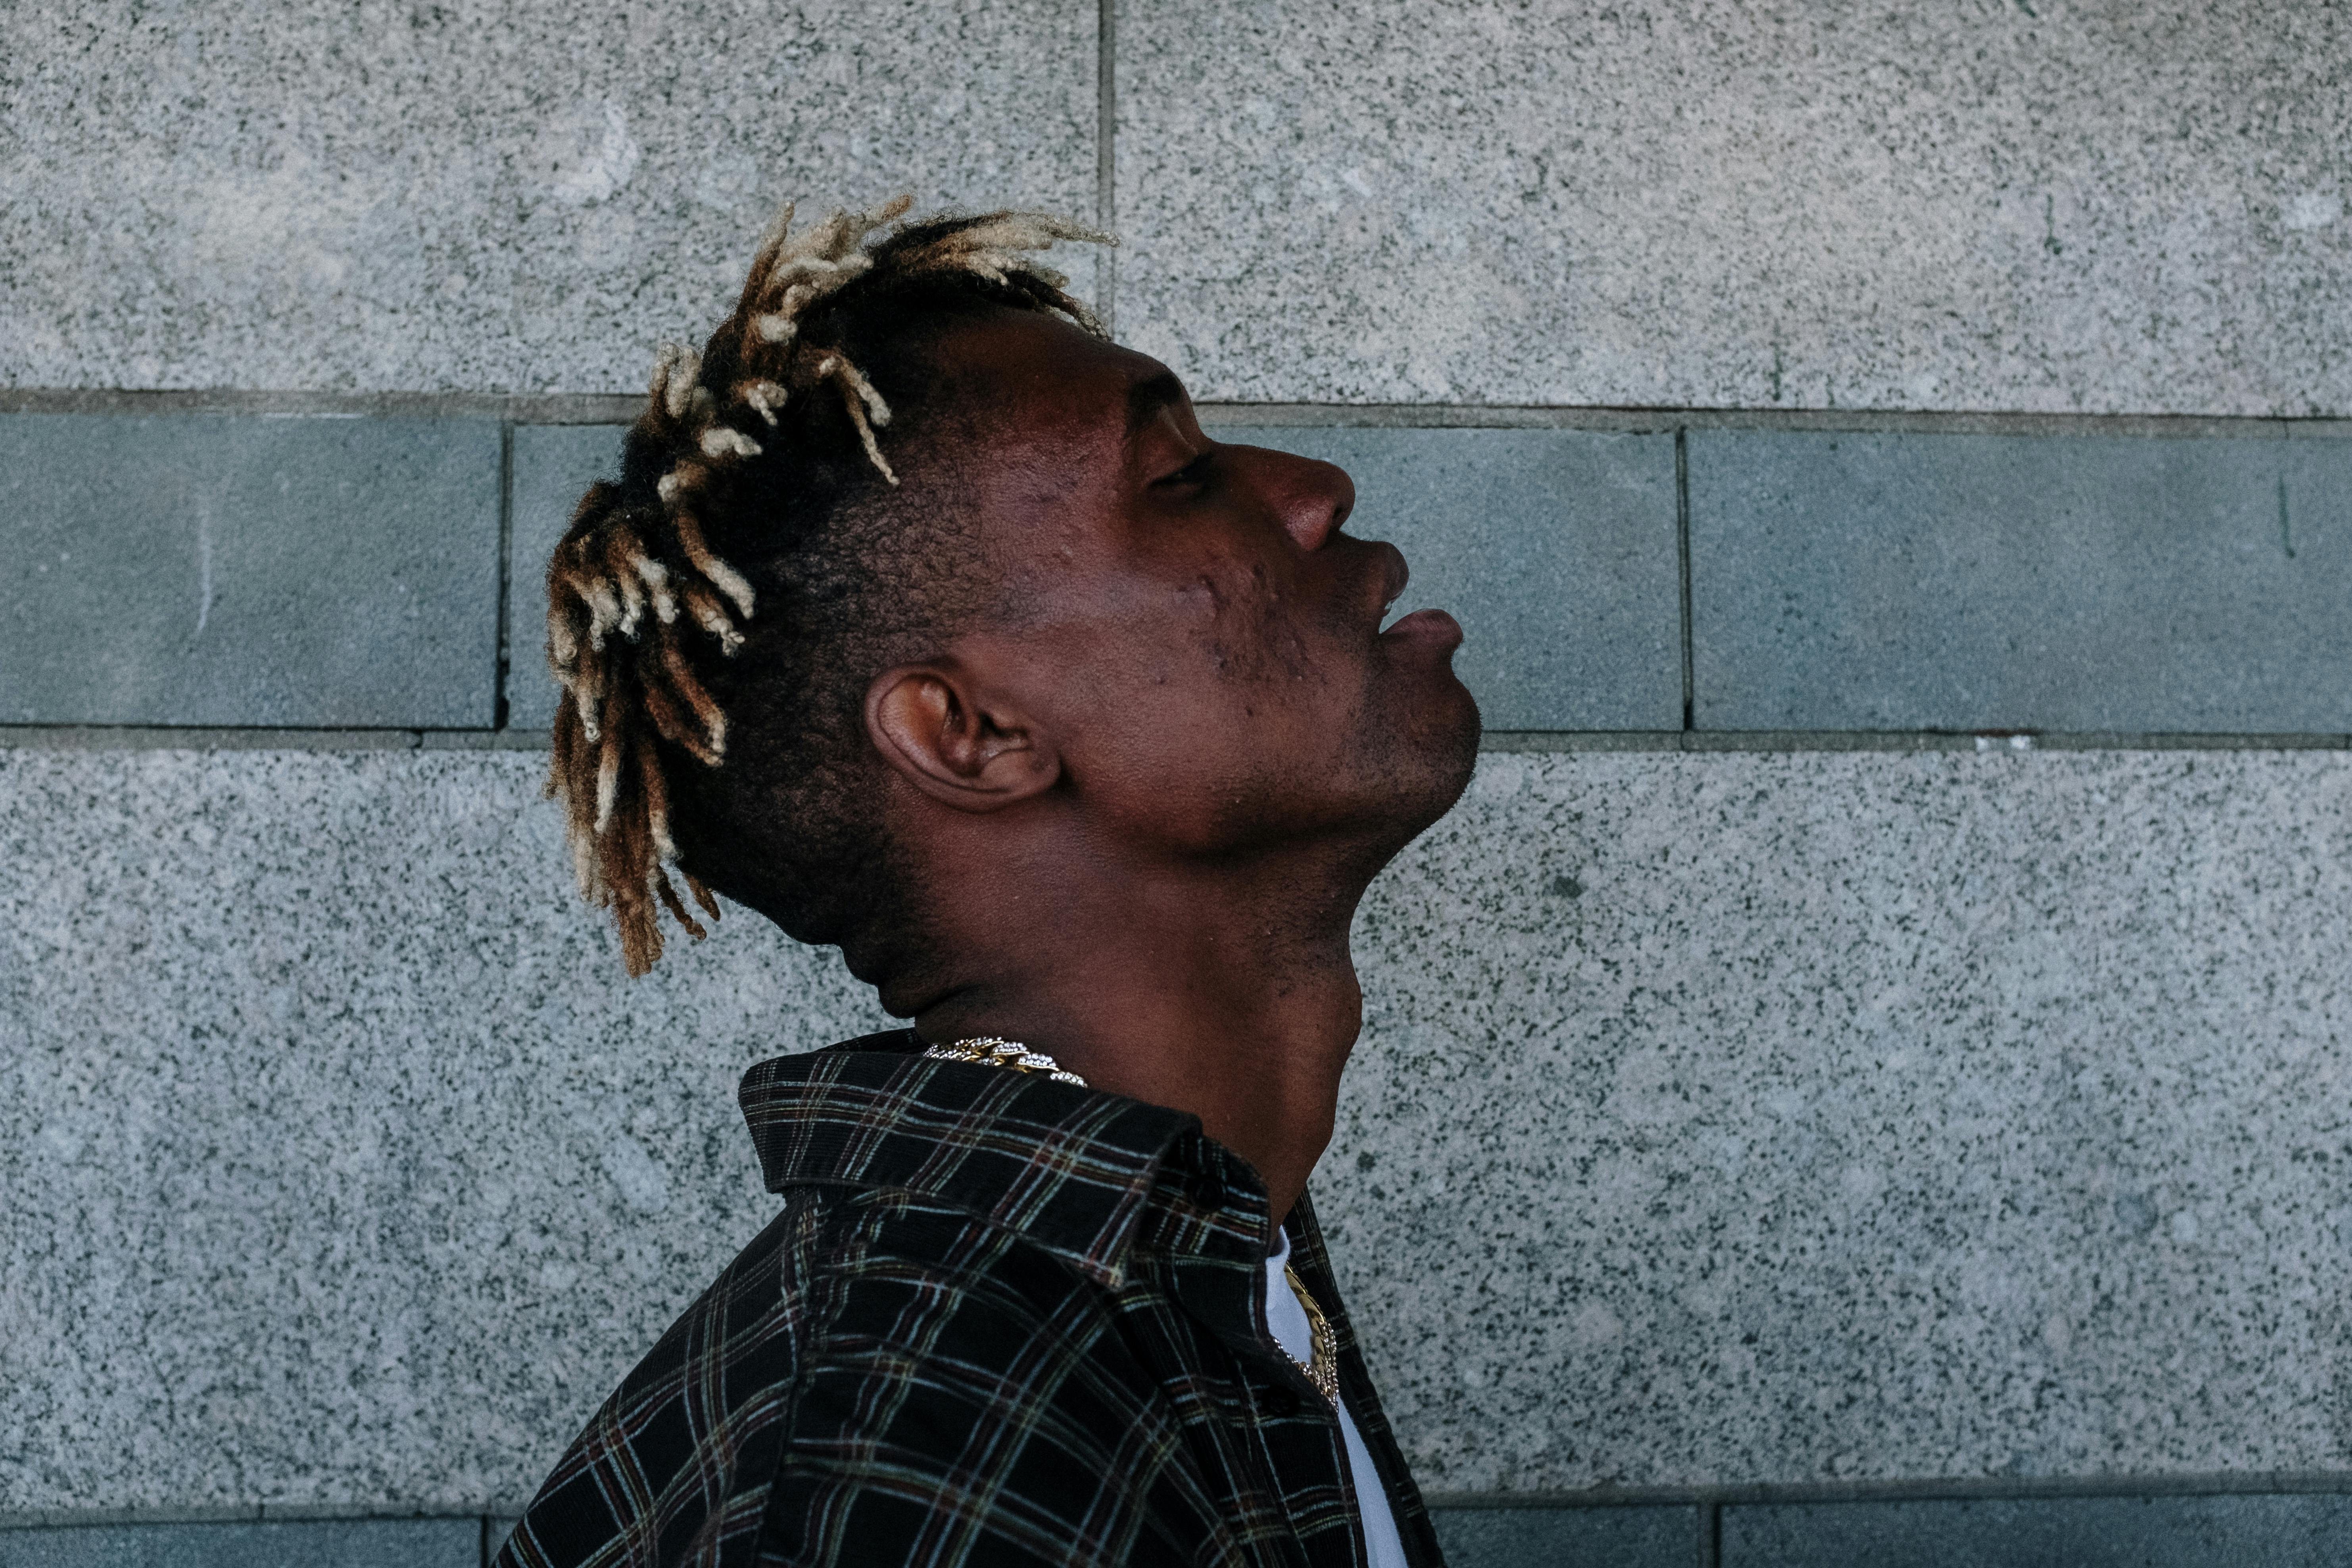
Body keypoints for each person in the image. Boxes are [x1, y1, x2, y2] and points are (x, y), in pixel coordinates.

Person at [495, 196, 1479, 1568]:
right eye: (1179, 476)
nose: (1316, 490)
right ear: (970, 734)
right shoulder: (912, 1459)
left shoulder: (1175, 1227)